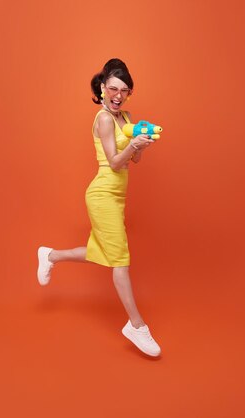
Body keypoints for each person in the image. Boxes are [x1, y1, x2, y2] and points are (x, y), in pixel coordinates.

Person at [37, 58, 161, 357]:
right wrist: (132, 147)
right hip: (103, 193)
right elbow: (115, 161)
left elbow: (133, 161)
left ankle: (50, 255)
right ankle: (136, 325)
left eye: (125, 90)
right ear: (102, 89)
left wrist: (140, 146)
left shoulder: (126, 117)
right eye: (113, 89)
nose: (119, 95)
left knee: (101, 253)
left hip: (118, 195)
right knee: (120, 259)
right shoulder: (104, 118)